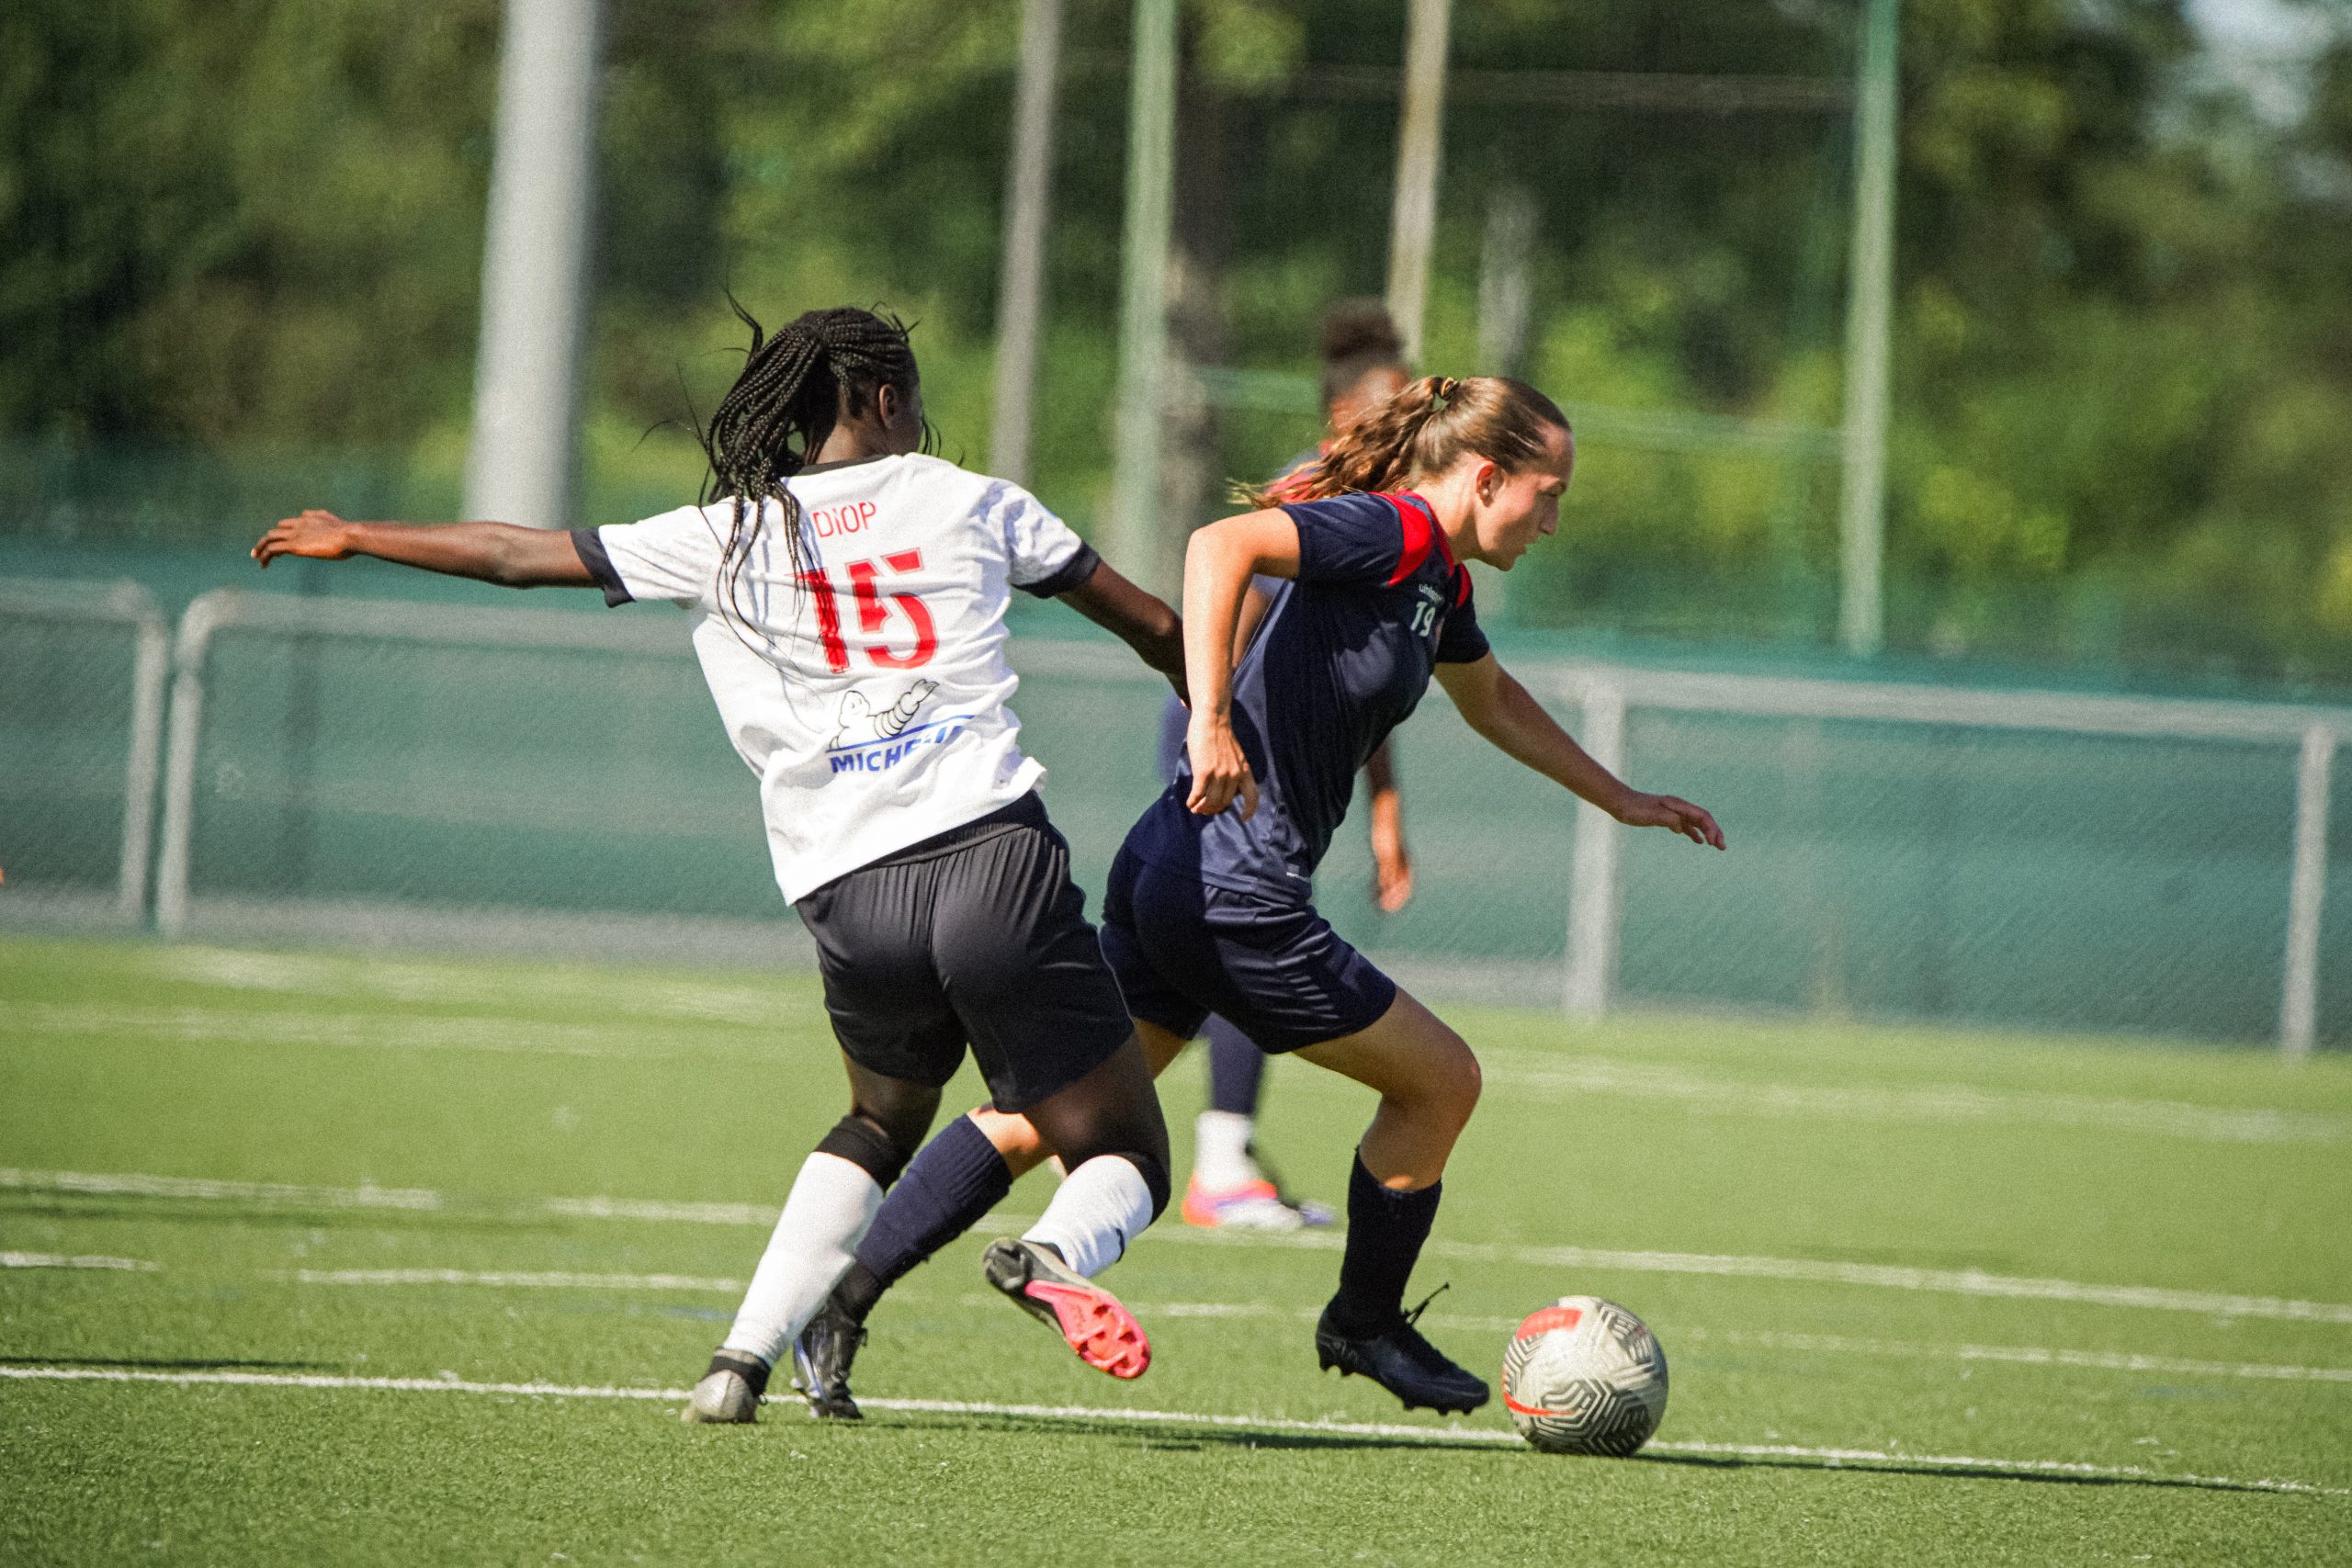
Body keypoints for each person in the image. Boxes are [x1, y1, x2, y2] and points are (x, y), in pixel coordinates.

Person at [248, 305, 1189, 1422]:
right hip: (990, 854)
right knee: (1121, 1148)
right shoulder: (971, 499)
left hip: (848, 892)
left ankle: (737, 1362)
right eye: (917, 394)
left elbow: (514, 554)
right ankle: (1045, 1255)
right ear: (883, 401)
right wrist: (1227, 715)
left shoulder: (726, 532)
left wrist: (357, 534)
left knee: (881, 1122)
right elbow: (1151, 623)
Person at [794, 373, 1724, 1421]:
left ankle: (837, 1308)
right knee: (1441, 1083)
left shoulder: (1438, 585)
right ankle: (1363, 1323)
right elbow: (1217, 547)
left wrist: (1621, 798)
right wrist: (1210, 723)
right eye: (1547, 494)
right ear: (1487, 476)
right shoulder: (1398, 532)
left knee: (1035, 1120)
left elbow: (1494, 701)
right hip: (1234, 893)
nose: (1553, 520)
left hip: (1176, 872)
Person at [1174, 299, 1418, 1232]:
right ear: (1345, 417)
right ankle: (1221, 1165)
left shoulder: (1391, 518)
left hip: (1267, 741)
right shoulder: (1314, 495)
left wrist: (1387, 809)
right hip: (1232, 739)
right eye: (1391, 411)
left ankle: (1191, 1149)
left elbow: (1365, 679)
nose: (1408, 429)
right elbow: (1231, 600)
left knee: (1204, 956)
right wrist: (1216, 721)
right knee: (1249, 941)